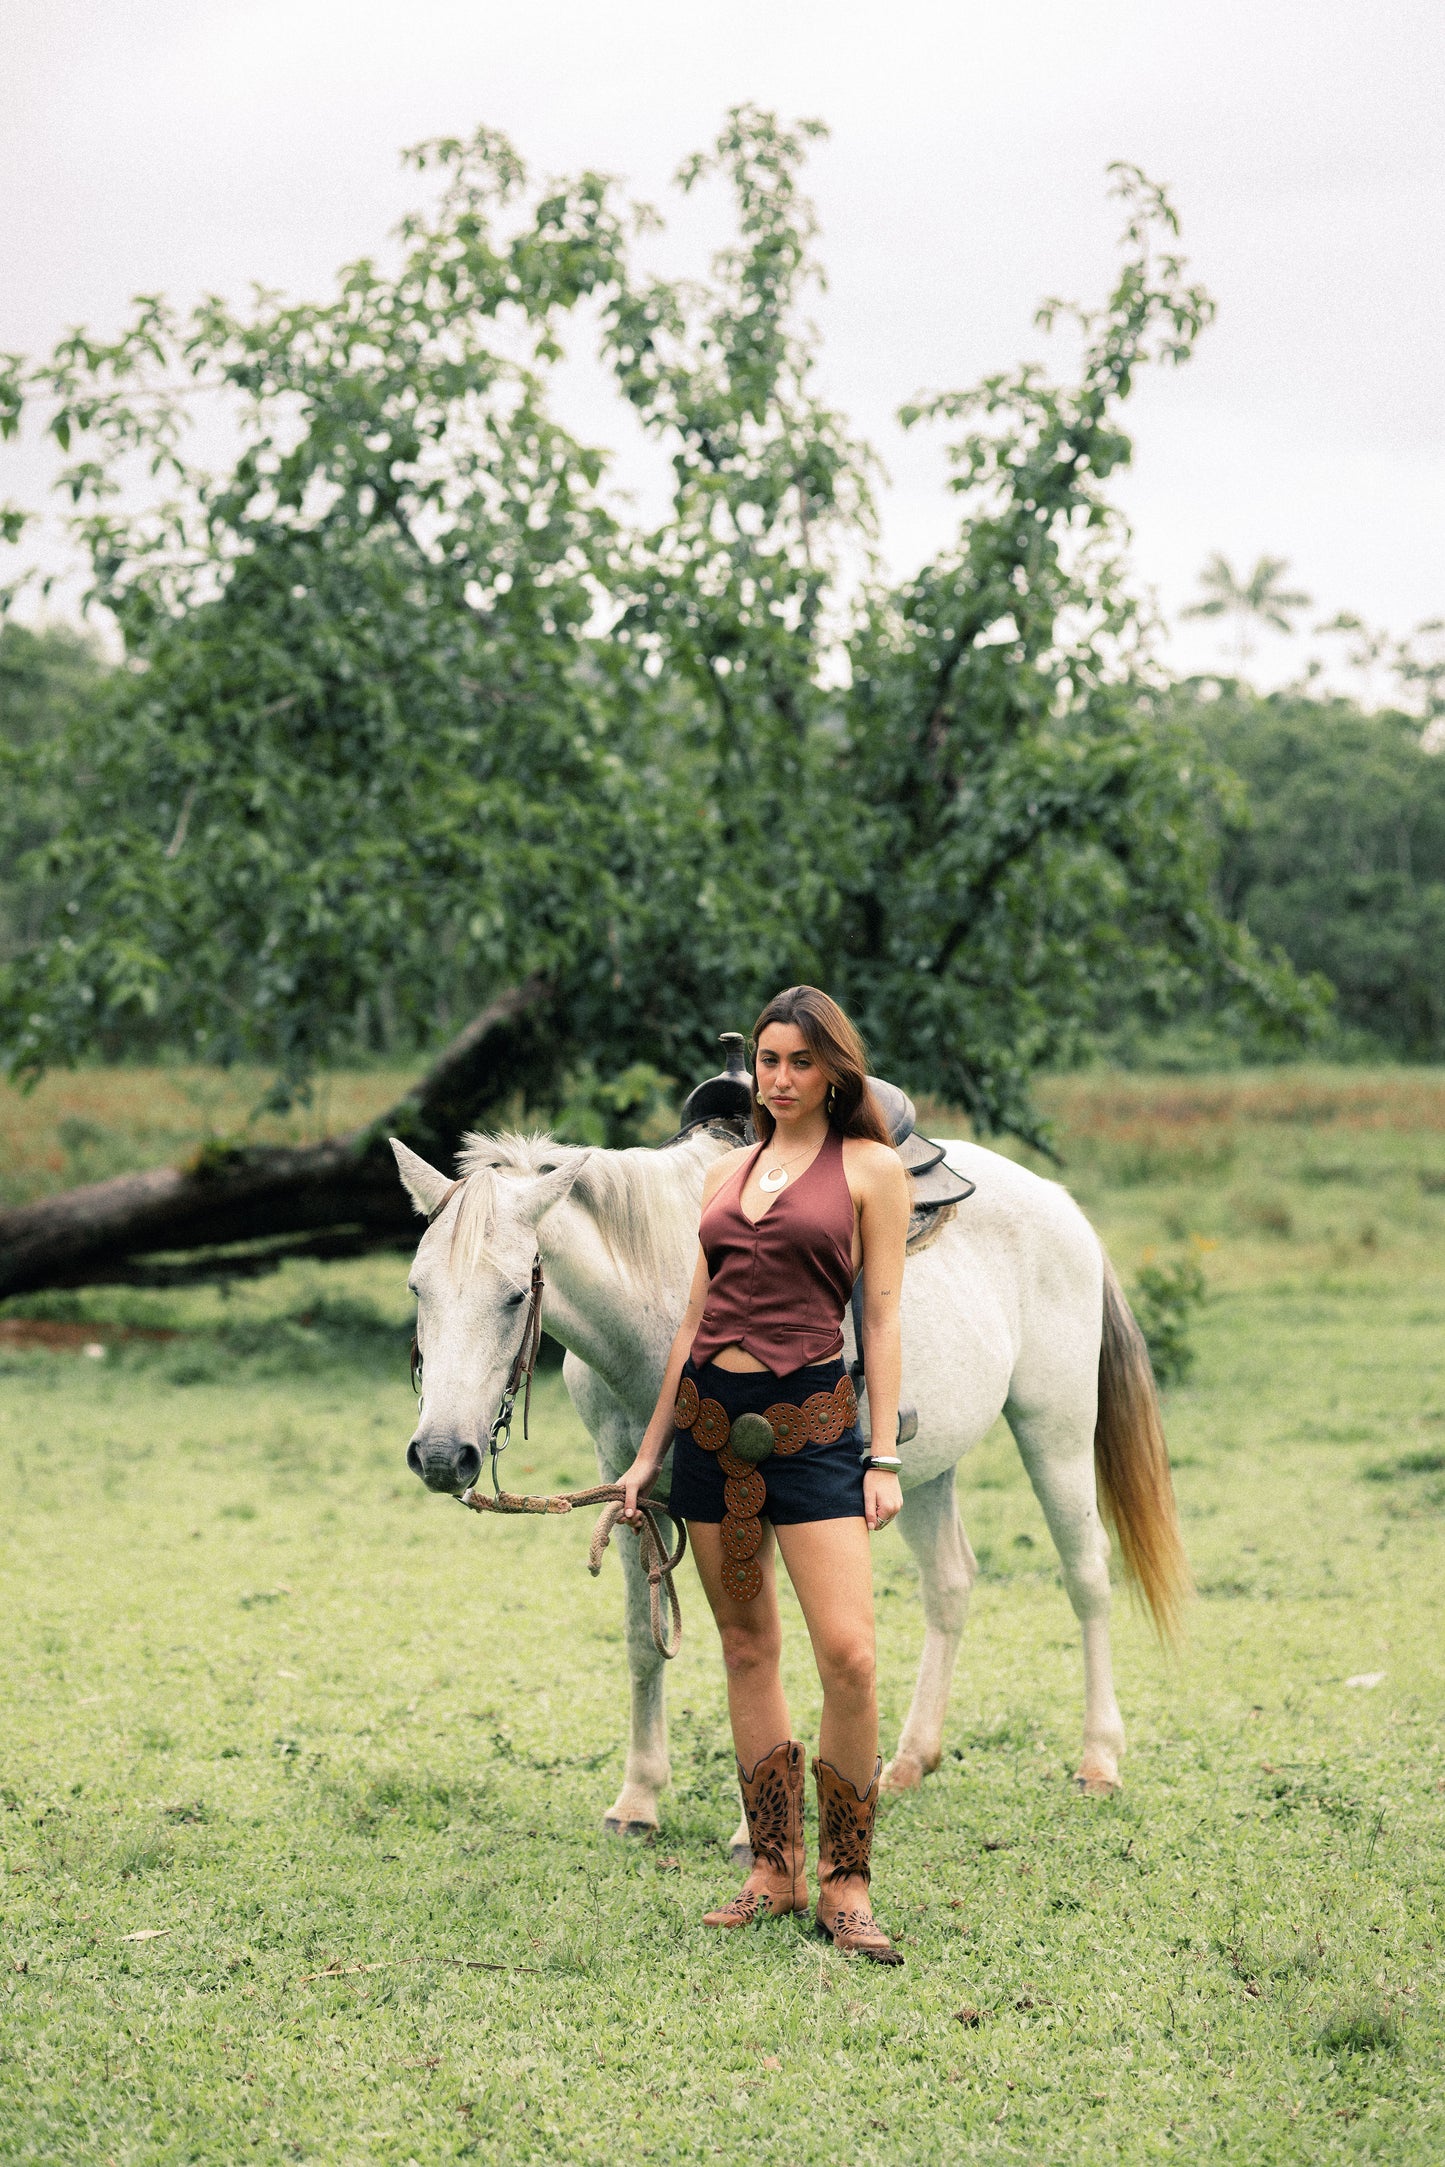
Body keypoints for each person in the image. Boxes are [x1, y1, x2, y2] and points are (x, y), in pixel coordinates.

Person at [620, 985, 911, 1963]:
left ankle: (847, 1883)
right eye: (767, 1063)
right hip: (709, 1433)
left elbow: (879, 1317)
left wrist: (881, 1455)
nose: (778, 1079)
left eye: (797, 1061)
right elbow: (692, 1325)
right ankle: (774, 1869)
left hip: (815, 1434)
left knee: (850, 1654)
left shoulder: (870, 1171)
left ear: (834, 1070)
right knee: (745, 1650)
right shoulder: (723, 1177)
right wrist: (646, 1453)